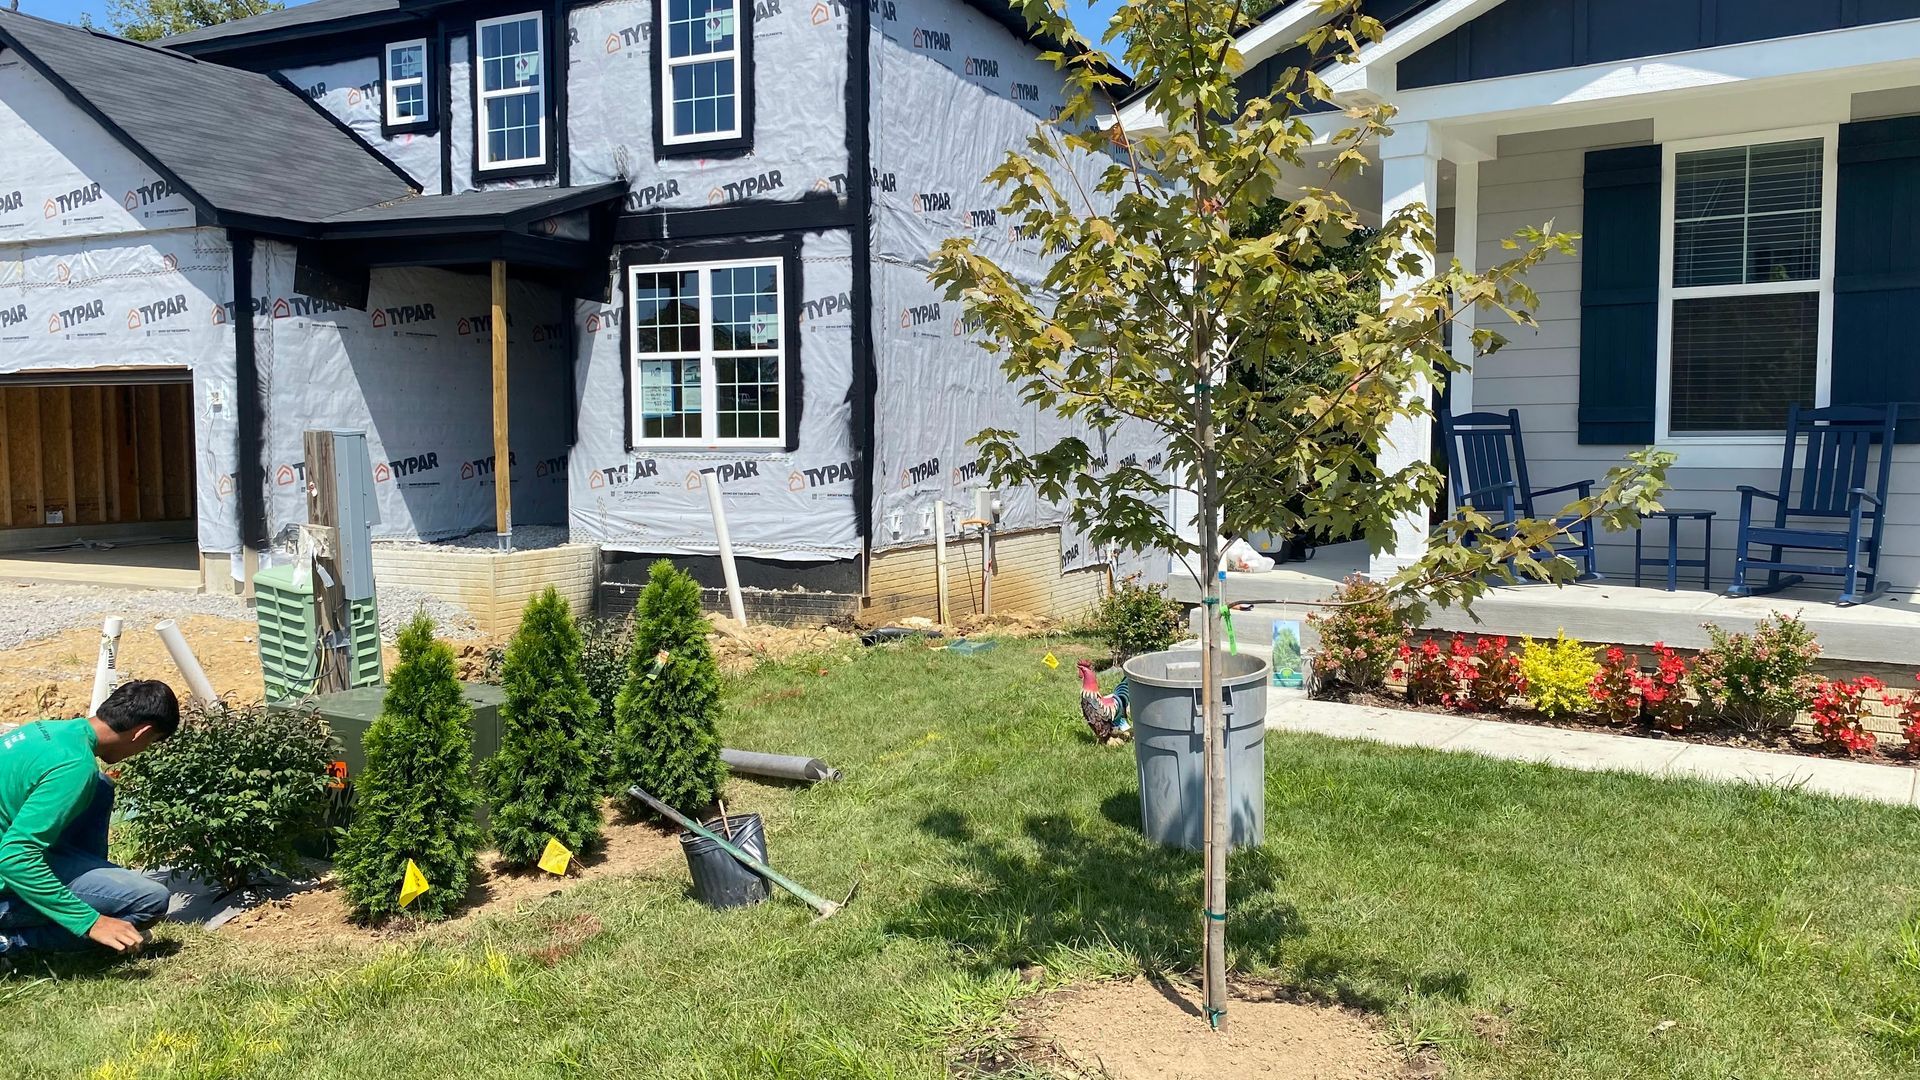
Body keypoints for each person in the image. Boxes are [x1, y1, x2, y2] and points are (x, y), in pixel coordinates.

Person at [0, 680, 179, 958]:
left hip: (15, 850)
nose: (143, 750)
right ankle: (11, 943)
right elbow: (14, 858)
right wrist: (91, 921)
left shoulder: (47, 730)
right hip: (8, 879)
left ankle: (91, 887)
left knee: (99, 786)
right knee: (150, 900)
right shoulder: (73, 766)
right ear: (141, 732)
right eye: (151, 743)